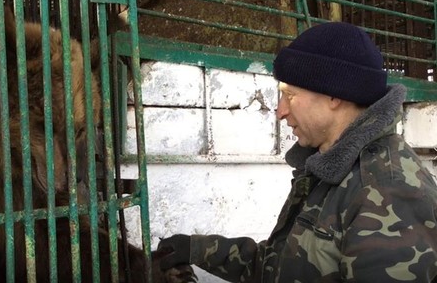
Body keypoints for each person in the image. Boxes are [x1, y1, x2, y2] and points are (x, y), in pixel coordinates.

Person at [157, 22, 437, 282]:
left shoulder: (387, 192)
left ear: (334, 95)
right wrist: (196, 250)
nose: (280, 111)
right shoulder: (329, 169)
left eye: (289, 95)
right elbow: (279, 268)